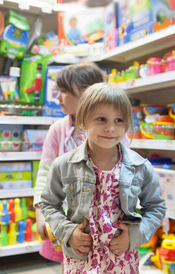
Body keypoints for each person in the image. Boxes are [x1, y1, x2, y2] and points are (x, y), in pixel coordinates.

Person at [40, 83, 166, 274]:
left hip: (122, 260)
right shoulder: (64, 165)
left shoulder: (140, 167)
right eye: (101, 119)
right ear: (83, 122)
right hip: (80, 259)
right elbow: (48, 204)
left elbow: (156, 207)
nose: (111, 128)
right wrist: (68, 232)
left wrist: (135, 235)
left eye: (118, 120)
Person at [34, 63, 107, 264]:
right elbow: (45, 174)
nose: (58, 96)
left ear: (87, 93)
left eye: (64, 91)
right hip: (64, 219)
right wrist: (40, 213)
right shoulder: (58, 130)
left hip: (102, 220)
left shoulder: (110, 128)